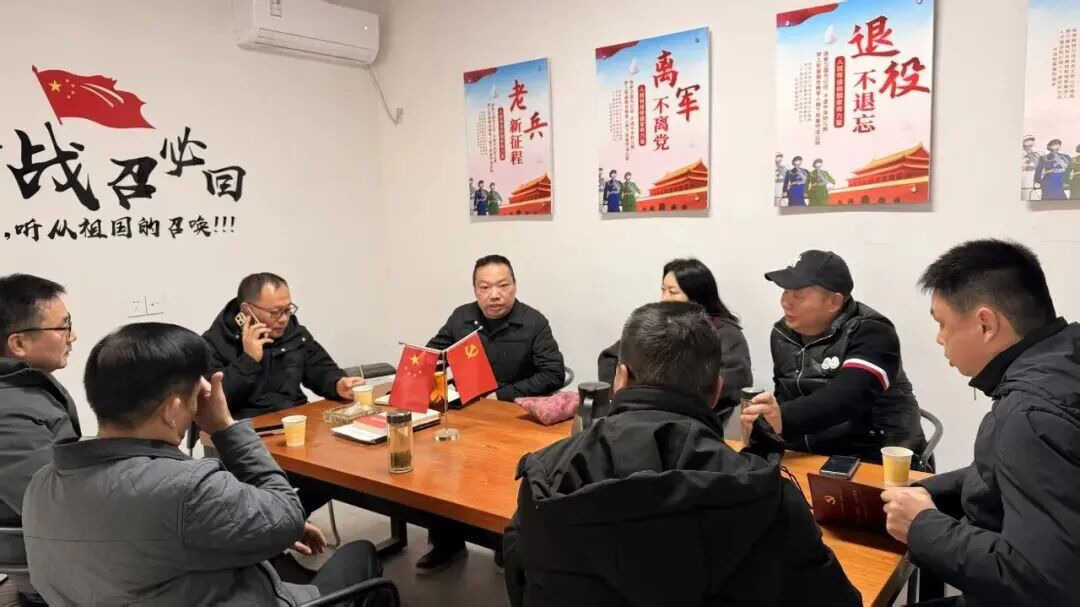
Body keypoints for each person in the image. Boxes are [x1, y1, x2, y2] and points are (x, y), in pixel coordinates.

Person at [504, 302, 861, 607]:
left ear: (621, 379)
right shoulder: (766, 493)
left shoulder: (546, 475)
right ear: (716, 391)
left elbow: (522, 583)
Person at [22, 323, 385, 606]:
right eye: (195, 396)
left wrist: (268, 521)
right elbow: (287, 515)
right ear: (173, 409)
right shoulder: (189, 487)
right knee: (361, 556)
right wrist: (225, 427)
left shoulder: (41, 484)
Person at [882, 240, 1080, 607]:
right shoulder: (1064, 359)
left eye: (942, 324)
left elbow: (1042, 581)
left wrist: (921, 525)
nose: (939, 338)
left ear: (986, 324)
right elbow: (1008, 469)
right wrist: (927, 489)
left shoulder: (1031, 413)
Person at [420, 254, 565, 573]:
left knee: (503, 483)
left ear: (515, 286)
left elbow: (553, 373)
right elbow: (433, 356)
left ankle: (504, 542)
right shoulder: (461, 317)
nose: (494, 295)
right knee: (439, 470)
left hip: (514, 420)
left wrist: (500, 395)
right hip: (467, 417)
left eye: (502, 286)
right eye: (484, 287)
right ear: (475, 289)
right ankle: (447, 543)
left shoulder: (534, 322)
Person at [742, 250, 927, 466]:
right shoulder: (782, 334)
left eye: (798, 295)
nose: (785, 302)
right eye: (785, 291)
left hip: (877, 456)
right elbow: (784, 395)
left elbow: (849, 397)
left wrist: (782, 417)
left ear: (833, 301)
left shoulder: (873, 332)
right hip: (807, 455)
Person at [0, 274, 81, 604]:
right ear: (19, 344)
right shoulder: (10, 415)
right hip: (48, 566)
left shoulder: (26, 387)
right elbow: (56, 508)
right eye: (63, 327)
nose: (73, 336)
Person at [598, 258, 751, 420]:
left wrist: (672, 396)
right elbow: (609, 357)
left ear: (697, 294)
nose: (665, 298)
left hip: (698, 420)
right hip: (640, 416)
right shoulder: (658, 324)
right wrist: (627, 394)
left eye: (673, 292)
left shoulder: (725, 333)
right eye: (663, 290)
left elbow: (736, 379)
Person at [203, 272, 364, 421]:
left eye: (287, 310)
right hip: (246, 428)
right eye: (275, 312)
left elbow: (319, 368)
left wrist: (338, 383)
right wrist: (248, 360)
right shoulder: (213, 343)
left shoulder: (293, 332)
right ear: (247, 310)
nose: (283, 319)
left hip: (294, 420)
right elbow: (211, 402)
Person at [1021, 135, 1042, 201]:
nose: (1030, 147)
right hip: (1023, 184)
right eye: (1027, 146)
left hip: (1031, 184)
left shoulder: (1035, 153)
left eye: (1031, 145)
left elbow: (1039, 165)